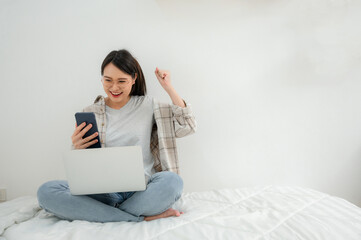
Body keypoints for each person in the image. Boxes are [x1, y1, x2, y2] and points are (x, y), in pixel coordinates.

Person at [37, 49, 197, 222]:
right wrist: (76, 148)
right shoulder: (90, 112)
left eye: (122, 81)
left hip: (142, 190)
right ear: (101, 79)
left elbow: (188, 126)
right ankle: (138, 217)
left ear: (134, 79)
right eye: (108, 80)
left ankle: (106, 214)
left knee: (173, 182)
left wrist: (168, 87)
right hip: (103, 192)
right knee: (46, 191)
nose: (114, 87)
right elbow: (81, 169)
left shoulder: (149, 105)